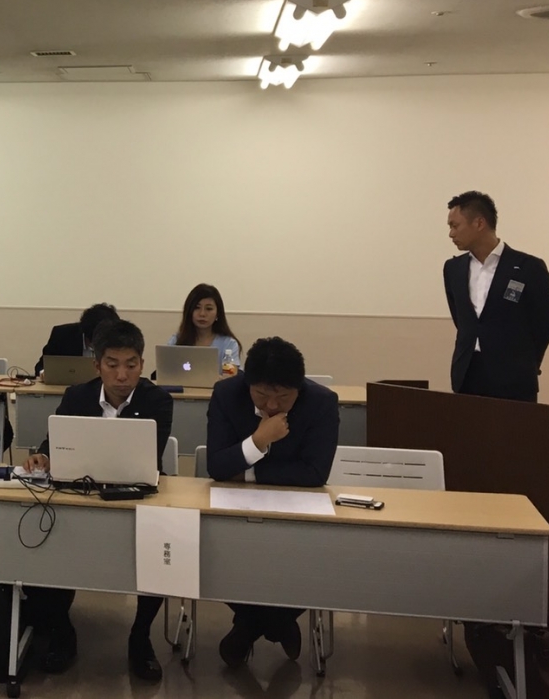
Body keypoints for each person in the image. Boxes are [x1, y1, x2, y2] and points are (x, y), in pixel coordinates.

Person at [23, 319, 174, 681]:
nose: (122, 375)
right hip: (82, 499)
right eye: (112, 364)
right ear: (97, 365)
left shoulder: (157, 400)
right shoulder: (77, 396)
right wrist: (43, 457)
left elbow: (146, 459)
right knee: (40, 541)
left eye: (131, 365)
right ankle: (62, 631)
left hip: (136, 500)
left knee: (162, 547)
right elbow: (53, 445)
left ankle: (140, 637)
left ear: (142, 364)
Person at [206, 336, 339, 667]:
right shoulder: (226, 394)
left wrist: (247, 471)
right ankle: (278, 623)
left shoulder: (322, 402)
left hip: (298, 511)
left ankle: (251, 624)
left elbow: (315, 473)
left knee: (315, 561)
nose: (272, 405)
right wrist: (258, 440)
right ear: (248, 384)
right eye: (262, 395)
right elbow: (217, 467)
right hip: (236, 510)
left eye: (283, 397)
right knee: (213, 554)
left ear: (299, 388)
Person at [443, 191, 549, 402]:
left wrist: (528, 362)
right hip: (467, 375)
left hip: (514, 379)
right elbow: (462, 319)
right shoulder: (453, 269)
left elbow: (545, 323)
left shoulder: (528, 268)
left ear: (479, 223)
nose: (451, 233)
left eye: (455, 226)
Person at [167, 283, 242, 371]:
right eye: (197, 307)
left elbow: (232, 376)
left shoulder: (228, 344)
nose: (202, 314)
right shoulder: (176, 341)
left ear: (218, 313)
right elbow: (166, 372)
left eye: (209, 309)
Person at [33, 302, 120, 376]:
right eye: (93, 343)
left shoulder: (119, 337)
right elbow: (41, 366)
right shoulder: (62, 335)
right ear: (85, 333)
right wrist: (44, 373)